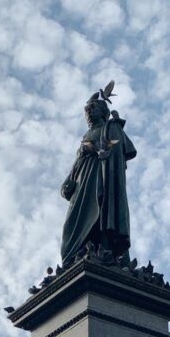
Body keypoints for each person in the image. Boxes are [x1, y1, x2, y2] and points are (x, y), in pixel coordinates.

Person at [60, 93, 137, 266]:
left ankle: (103, 250)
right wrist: (68, 181)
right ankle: (78, 254)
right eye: (86, 109)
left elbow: (121, 150)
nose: (88, 111)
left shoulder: (110, 128)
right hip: (81, 184)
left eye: (93, 107)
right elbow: (77, 164)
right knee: (70, 228)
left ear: (103, 111)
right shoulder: (87, 135)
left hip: (101, 178)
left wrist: (115, 127)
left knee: (101, 213)